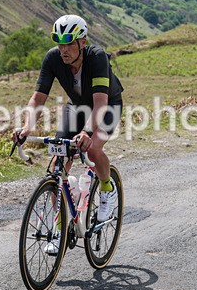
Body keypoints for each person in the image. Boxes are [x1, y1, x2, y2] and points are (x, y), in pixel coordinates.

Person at [14, 14, 124, 238]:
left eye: (68, 44)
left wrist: (86, 132)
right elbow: (38, 98)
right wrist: (26, 128)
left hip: (107, 106)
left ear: (82, 42)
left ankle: (106, 190)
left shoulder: (97, 57)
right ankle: (60, 228)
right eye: (59, 43)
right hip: (77, 107)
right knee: (58, 161)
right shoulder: (53, 58)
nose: (63, 50)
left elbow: (100, 103)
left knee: (92, 148)